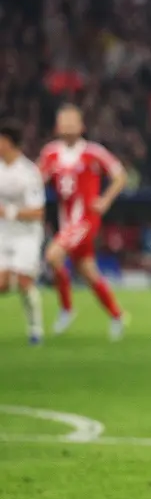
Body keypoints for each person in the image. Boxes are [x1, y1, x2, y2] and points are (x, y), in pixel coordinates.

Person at [38, 105, 127, 340]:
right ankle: (117, 315)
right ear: (57, 126)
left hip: (86, 220)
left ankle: (67, 309)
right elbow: (37, 180)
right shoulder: (50, 153)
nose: (67, 126)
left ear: (81, 126)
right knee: (88, 271)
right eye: (63, 121)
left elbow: (120, 175)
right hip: (65, 222)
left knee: (53, 255)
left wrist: (105, 200)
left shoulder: (94, 152)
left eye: (72, 121)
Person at [0, 119, 46, 344]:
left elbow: (38, 212)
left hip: (26, 234)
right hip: (2, 234)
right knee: (2, 284)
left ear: (9, 143)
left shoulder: (29, 172)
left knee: (24, 282)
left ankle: (35, 330)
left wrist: (7, 212)